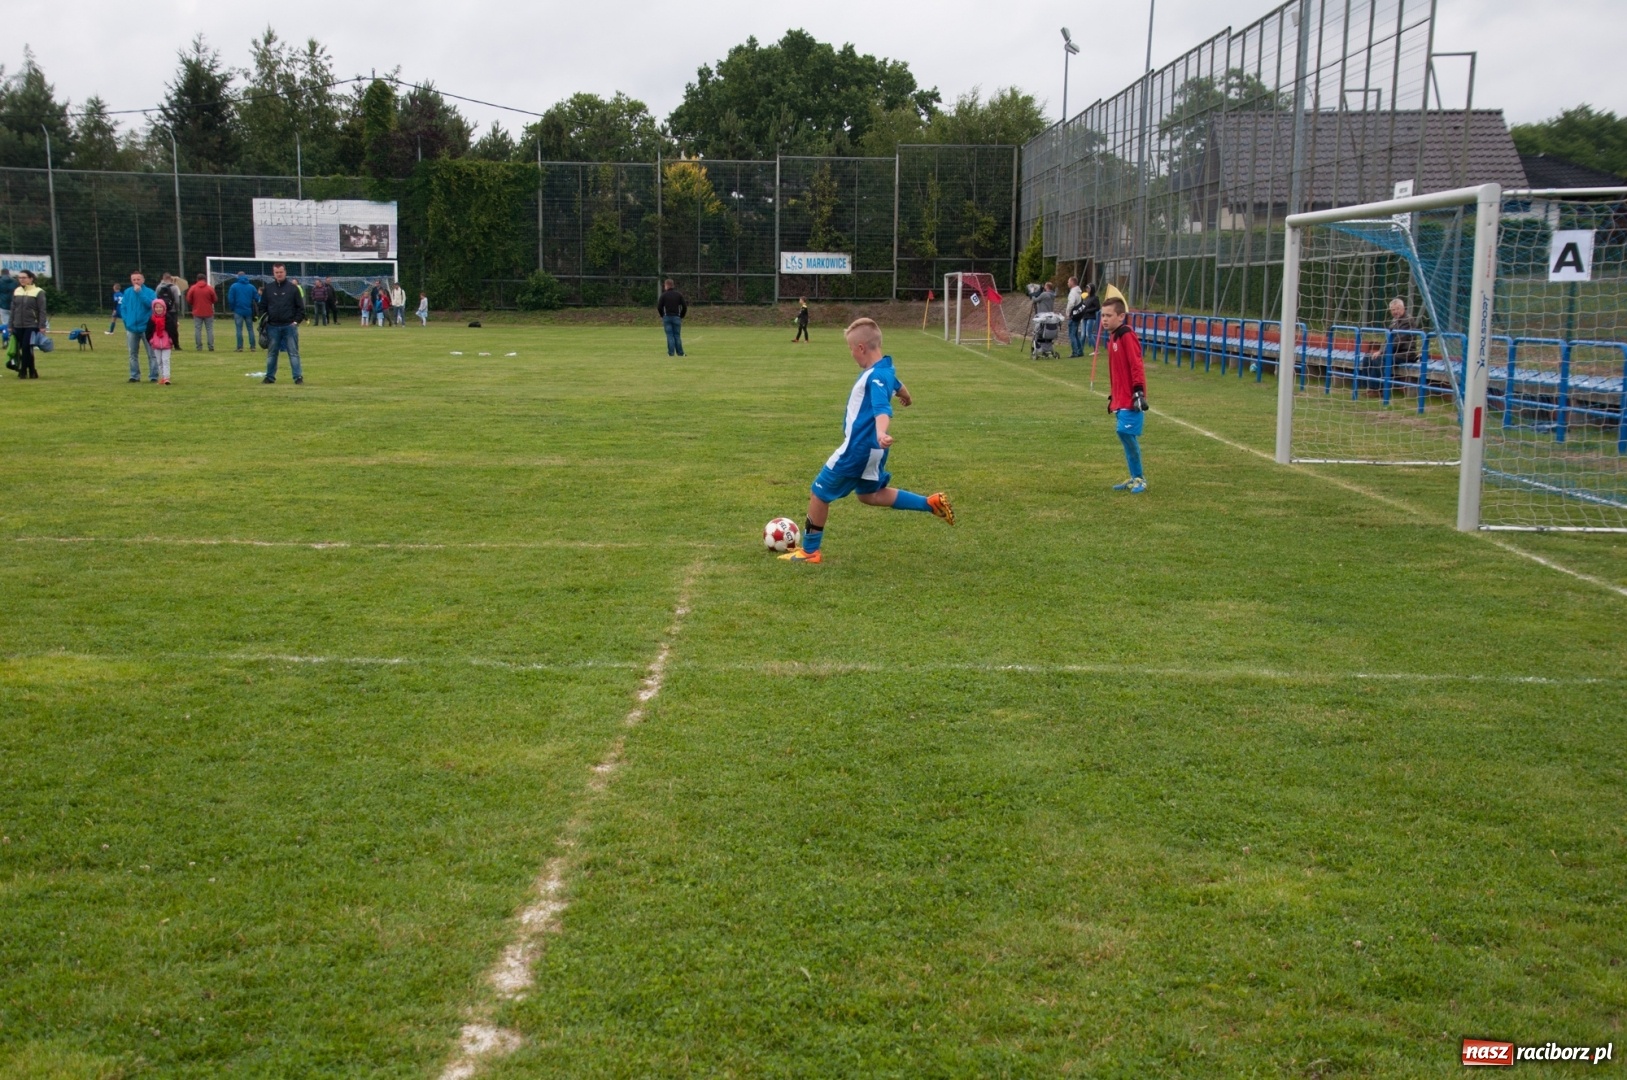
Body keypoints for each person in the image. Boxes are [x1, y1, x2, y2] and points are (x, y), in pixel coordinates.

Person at [779, 317, 955, 564]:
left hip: (859, 447)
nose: (851, 355)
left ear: (861, 347)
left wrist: (882, 431)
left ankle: (809, 552)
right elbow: (898, 385)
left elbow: (882, 408)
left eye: (851, 349)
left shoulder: (875, 377)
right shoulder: (884, 369)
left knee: (819, 493)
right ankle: (930, 503)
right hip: (873, 450)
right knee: (869, 495)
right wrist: (907, 397)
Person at [1100, 297, 1149, 493]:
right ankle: (1134, 477)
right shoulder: (1113, 337)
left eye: (1108, 315)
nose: (1104, 319)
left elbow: (1136, 364)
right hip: (1121, 398)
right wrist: (1114, 394)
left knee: (1125, 433)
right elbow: (1118, 372)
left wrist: (1138, 391)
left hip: (1131, 398)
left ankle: (1140, 479)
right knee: (1124, 435)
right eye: (1102, 315)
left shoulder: (1126, 335)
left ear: (1121, 316)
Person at [260, 263, 306, 385]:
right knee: (272, 353)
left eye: (281, 272)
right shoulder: (268, 288)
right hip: (272, 326)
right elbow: (262, 307)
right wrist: (265, 321)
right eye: (276, 272)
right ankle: (269, 377)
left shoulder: (293, 289)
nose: (279, 274)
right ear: (273, 273)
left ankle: (298, 377)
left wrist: (295, 322)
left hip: (289, 326)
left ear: (285, 272)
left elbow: (300, 308)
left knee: (293, 353)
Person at [119, 271, 158, 381]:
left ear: (143, 280)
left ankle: (153, 376)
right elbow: (123, 308)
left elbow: (152, 305)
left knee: (151, 353)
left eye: (138, 279)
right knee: (132, 354)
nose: (136, 281)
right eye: (134, 280)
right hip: (131, 327)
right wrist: (126, 321)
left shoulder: (150, 292)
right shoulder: (127, 292)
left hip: (146, 327)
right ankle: (134, 376)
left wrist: (140, 293)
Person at [8, 269, 46, 379]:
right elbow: (13, 309)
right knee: (25, 349)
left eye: (24, 277)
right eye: (19, 278)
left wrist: (42, 326)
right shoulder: (17, 291)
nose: (21, 280)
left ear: (31, 278)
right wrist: (10, 325)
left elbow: (42, 310)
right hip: (18, 325)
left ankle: (23, 371)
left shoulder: (38, 291)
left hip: (32, 324)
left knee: (26, 347)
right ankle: (33, 371)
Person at [226, 272, 258, 352]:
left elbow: (231, 299)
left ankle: (240, 347)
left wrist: (233, 308)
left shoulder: (234, 286)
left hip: (238, 310)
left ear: (238, 276)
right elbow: (257, 298)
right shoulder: (251, 287)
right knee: (250, 329)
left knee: (239, 329)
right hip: (248, 310)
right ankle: (253, 346)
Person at [186, 273, 217, 351]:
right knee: (209, 329)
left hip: (197, 311)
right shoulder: (209, 288)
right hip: (208, 312)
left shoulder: (193, 288)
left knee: (198, 329)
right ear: (205, 279)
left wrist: (194, 303)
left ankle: (199, 347)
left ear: (197, 279)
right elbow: (215, 299)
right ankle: (211, 346)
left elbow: (189, 299)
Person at [1387, 297, 1420, 372]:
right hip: (1395, 352)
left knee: (1382, 358)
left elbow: (1398, 341)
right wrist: (1380, 350)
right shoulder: (1394, 320)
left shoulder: (1407, 320)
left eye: (1398, 309)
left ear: (1403, 308)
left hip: (1406, 353)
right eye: (1393, 310)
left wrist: (1382, 352)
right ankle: (1365, 383)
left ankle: (1379, 383)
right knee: (1368, 357)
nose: (1395, 311)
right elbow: (1388, 339)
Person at [147, 297, 174, 384]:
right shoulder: (151, 319)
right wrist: (151, 340)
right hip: (156, 344)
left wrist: (171, 340)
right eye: (156, 307)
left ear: (164, 308)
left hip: (166, 344)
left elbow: (172, 330)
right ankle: (162, 376)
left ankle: (166, 377)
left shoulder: (168, 319)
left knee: (165, 360)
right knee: (159, 361)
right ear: (154, 308)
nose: (158, 309)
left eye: (160, 307)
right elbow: (148, 331)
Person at [657, 278, 687, 356]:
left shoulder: (664, 295)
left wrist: (662, 315)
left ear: (667, 286)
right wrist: (681, 316)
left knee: (669, 335)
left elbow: (659, 307)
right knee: (677, 335)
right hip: (676, 317)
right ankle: (680, 353)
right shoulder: (678, 295)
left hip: (667, 317)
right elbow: (684, 306)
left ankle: (671, 353)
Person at [156, 274, 184, 351]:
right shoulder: (174, 287)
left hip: (161, 311)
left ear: (163, 278)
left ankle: (162, 343)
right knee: (173, 328)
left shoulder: (159, 287)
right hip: (172, 311)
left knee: (162, 327)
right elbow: (177, 301)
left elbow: (156, 299)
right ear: (170, 279)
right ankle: (176, 345)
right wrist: (176, 309)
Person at [0, 268, 16, 332]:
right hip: (15, 305)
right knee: (15, 324)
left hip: (3, 305)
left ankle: (7, 338)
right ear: (8, 273)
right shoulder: (15, 281)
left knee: (5, 324)